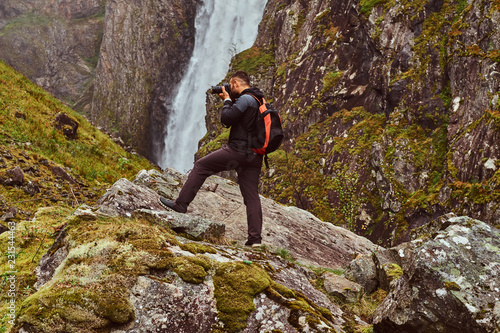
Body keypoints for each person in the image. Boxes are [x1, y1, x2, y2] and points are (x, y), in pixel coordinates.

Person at [159, 71, 265, 247]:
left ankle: (180, 205)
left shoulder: (245, 99)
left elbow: (227, 119)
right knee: (251, 195)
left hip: (237, 151)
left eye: (231, 86)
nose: (230, 89)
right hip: (254, 156)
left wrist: (226, 100)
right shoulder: (259, 100)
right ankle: (255, 240)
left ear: (236, 84)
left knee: (201, 166)